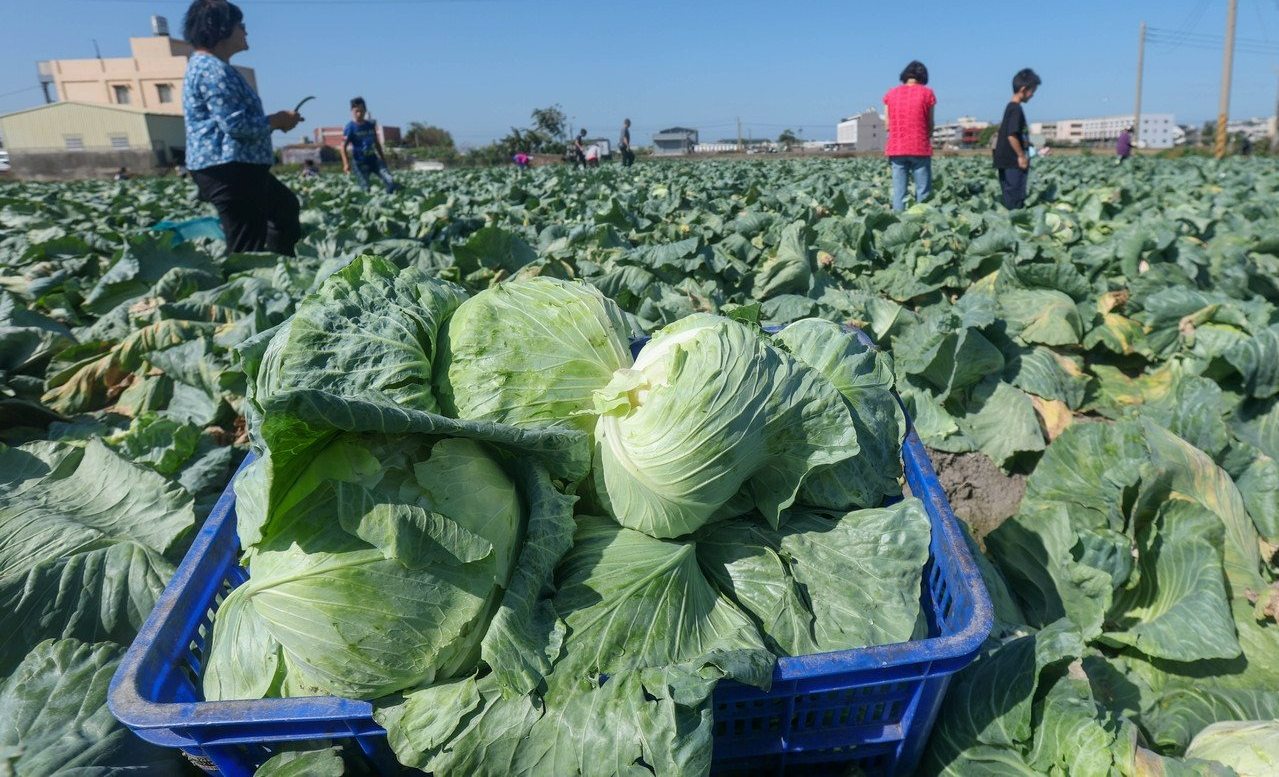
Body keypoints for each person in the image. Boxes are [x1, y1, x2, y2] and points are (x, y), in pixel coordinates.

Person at [182, 0, 302, 256]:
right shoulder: (211, 70)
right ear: (220, 28)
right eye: (241, 26)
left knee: (284, 209)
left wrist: (276, 121)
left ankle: (280, 271)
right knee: (247, 246)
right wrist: (277, 120)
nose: (245, 31)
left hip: (239, 169)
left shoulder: (215, 67)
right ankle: (248, 287)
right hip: (228, 170)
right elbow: (236, 124)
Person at [883, 60, 937, 211]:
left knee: (899, 192)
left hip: (897, 148)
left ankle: (899, 221)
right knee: (923, 191)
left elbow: (887, 125)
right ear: (923, 76)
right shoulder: (927, 93)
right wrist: (927, 134)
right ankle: (922, 224)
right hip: (919, 147)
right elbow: (930, 123)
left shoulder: (891, 93)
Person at [993, 68, 1041, 210]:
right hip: (1013, 161)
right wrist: (1021, 156)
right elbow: (1012, 135)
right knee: (1015, 198)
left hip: (1005, 160)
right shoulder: (1016, 109)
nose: (1032, 95)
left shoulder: (1010, 107)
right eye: (1032, 91)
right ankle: (1014, 227)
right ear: (1024, 89)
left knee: (1009, 196)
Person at [341, 97, 396, 194]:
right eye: (356, 111)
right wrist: (346, 164)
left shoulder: (370, 125)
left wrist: (383, 158)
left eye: (361, 111)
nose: (359, 114)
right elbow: (343, 147)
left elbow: (376, 143)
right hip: (359, 163)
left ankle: (389, 199)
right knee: (366, 189)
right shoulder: (350, 127)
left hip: (373, 159)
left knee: (390, 181)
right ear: (352, 111)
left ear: (365, 110)